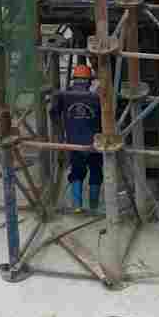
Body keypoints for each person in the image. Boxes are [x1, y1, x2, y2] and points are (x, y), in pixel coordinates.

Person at [49, 62, 103, 213]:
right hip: (94, 143)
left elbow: (53, 113)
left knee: (77, 172)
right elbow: (107, 116)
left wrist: (63, 131)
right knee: (96, 171)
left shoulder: (65, 95)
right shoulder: (95, 97)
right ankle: (93, 206)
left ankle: (77, 206)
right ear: (89, 81)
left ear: (74, 79)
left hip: (74, 143)